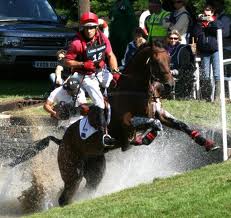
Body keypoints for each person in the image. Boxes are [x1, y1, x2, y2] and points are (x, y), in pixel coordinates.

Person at [64, 12, 121, 147]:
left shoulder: (102, 38)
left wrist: (115, 71)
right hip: (85, 76)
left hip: (101, 71)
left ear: (96, 28)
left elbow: (110, 55)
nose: (89, 30)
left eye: (92, 27)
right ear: (82, 28)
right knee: (100, 103)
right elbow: (67, 61)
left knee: (119, 87)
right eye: (86, 28)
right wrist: (82, 64)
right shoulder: (77, 43)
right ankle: (103, 134)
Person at [194, 4, 222, 102]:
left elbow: (220, 28)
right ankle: (207, 97)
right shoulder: (200, 23)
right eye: (205, 11)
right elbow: (195, 33)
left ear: (212, 12)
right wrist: (199, 22)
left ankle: (217, 98)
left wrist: (211, 21)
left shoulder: (216, 21)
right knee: (205, 75)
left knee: (217, 74)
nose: (206, 13)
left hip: (215, 50)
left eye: (208, 11)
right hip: (204, 51)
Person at [166, 29, 196, 98]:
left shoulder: (183, 48)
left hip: (178, 73)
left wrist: (175, 71)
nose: (173, 40)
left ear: (178, 39)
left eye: (175, 38)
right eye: (171, 38)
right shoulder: (164, 49)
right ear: (168, 39)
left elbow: (186, 65)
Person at [109, 0, 138, 65]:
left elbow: (132, 20)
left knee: (123, 54)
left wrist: (133, 34)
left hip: (123, 36)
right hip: (115, 35)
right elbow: (111, 16)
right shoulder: (116, 4)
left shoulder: (125, 3)